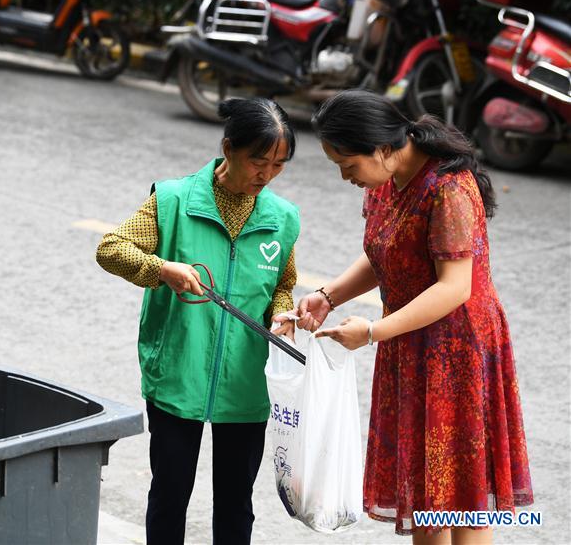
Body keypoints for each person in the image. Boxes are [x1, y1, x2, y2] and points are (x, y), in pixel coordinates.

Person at [298, 90, 533, 544]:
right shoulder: (387, 180)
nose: (347, 177)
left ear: (383, 149)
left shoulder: (449, 188)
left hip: (456, 351)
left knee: (461, 501)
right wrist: (329, 295)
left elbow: (454, 287)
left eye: (349, 166)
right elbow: (386, 253)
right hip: (409, 343)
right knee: (425, 496)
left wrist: (372, 332)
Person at [96, 97, 299, 544]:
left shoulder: (281, 220)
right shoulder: (172, 201)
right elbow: (111, 249)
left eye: (279, 165)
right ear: (228, 148)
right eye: (257, 161)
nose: (265, 175)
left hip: (246, 381)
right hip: (179, 371)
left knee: (235, 500)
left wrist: (283, 309)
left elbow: (283, 282)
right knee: (170, 492)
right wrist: (162, 270)